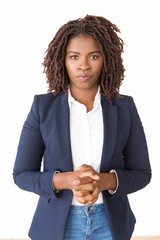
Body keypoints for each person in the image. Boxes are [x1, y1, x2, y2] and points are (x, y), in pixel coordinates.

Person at [13, 15, 151, 240]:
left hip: (111, 226)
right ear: (62, 60)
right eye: (74, 56)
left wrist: (104, 181)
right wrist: (66, 180)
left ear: (106, 59)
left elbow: (142, 173)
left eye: (94, 56)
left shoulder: (125, 108)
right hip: (56, 227)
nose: (84, 65)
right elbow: (21, 174)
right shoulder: (42, 107)